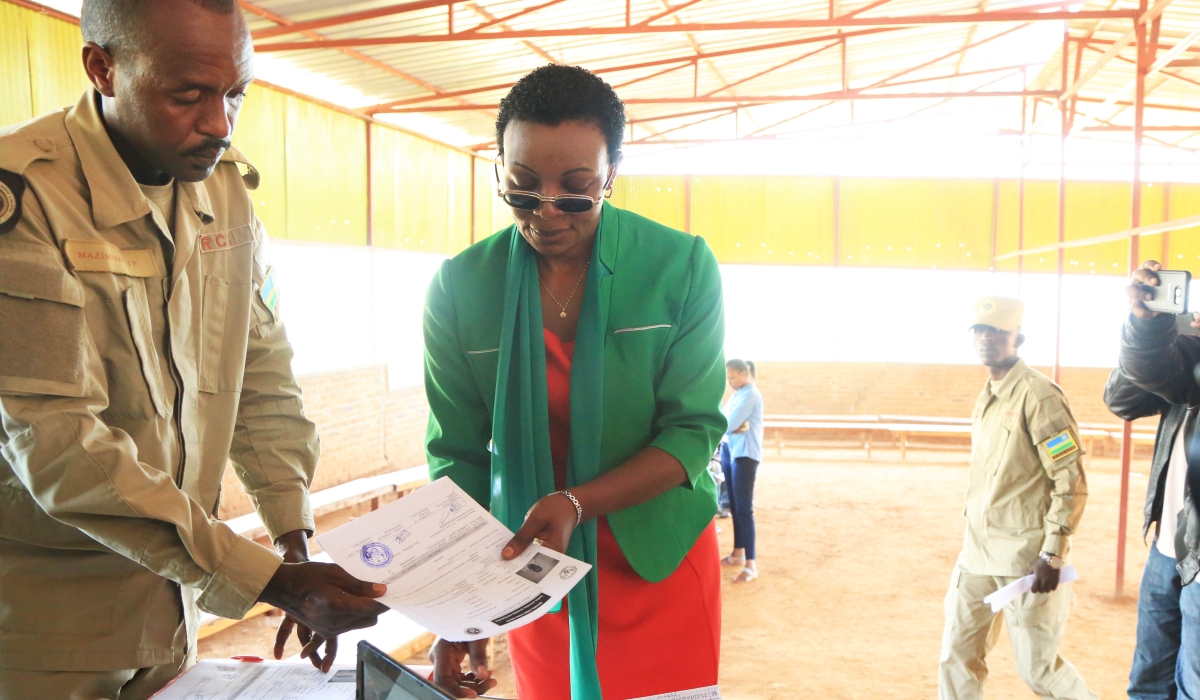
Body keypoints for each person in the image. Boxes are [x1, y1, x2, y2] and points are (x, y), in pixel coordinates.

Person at [0, 1, 388, 697]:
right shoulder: (24, 200)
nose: (219, 123)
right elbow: (58, 444)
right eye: (187, 95)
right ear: (103, 68)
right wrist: (268, 581)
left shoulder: (224, 193)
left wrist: (293, 539)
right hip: (44, 630)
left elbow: (262, 379)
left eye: (235, 93)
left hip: (171, 605)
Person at [422, 64, 726, 700]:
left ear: (611, 175)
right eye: (523, 188)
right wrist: (460, 608)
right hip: (534, 564)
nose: (548, 211)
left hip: (655, 557)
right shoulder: (461, 286)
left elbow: (693, 433)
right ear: (499, 171)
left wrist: (578, 502)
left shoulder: (680, 266)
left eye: (576, 189)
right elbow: (458, 456)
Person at [938, 297, 1094, 700]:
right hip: (976, 554)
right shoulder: (988, 394)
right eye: (980, 331)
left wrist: (1053, 554)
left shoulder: (1038, 395)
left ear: (1018, 338)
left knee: (1039, 671)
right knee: (957, 656)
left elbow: (1069, 477)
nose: (987, 338)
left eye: (998, 331)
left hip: (1025, 557)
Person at [1116, 260, 1200, 698]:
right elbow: (1122, 397)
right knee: (1148, 683)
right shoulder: (1185, 348)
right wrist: (1148, 327)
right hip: (1167, 548)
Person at [720, 359, 764, 583]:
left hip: (746, 455)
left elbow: (727, 423)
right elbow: (724, 419)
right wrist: (731, 424)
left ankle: (751, 565)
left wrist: (731, 424)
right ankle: (738, 553)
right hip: (731, 450)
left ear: (744, 374)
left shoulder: (751, 394)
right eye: (728, 379)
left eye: (733, 377)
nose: (730, 382)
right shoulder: (736, 395)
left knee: (744, 509)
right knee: (735, 507)